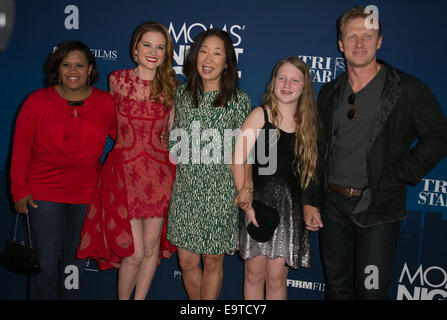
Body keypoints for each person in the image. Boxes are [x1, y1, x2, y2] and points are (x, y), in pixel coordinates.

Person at [315, 6, 447, 299]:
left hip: (379, 209)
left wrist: (401, 175)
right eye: (351, 36)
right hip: (333, 206)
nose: (359, 43)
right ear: (340, 44)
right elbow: (317, 149)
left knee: (371, 292)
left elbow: (439, 136)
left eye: (367, 36)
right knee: (337, 289)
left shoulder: (407, 90)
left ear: (379, 41)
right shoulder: (329, 92)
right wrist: (312, 200)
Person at [77, 21, 178, 300]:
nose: (153, 52)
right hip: (125, 174)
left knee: (150, 250)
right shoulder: (117, 80)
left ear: (166, 53)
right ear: (135, 49)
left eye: (160, 47)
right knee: (132, 254)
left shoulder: (172, 86)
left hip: (158, 177)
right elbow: (108, 123)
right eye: (147, 44)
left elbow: (171, 134)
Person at [10, 40, 116, 299]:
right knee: (45, 261)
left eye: (80, 65)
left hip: (86, 194)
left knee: (74, 262)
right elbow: (21, 148)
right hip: (42, 193)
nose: (73, 71)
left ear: (90, 69)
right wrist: (18, 190)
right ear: (57, 69)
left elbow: (128, 142)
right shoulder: (37, 101)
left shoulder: (106, 103)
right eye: (66, 64)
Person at [166, 28, 251, 300]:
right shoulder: (181, 95)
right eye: (203, 51)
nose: (208, 59)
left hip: (220, 193)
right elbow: (174, 143)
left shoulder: (239, 101)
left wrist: (245, 187)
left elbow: (245, 153)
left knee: (212, 262)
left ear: (227, 63)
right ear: (194, 56)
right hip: (186, 191)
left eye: (217, 53)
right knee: (187, 263)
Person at [232, 57, 322, 300]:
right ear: (273, 82)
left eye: (295, 80)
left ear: (305, 87)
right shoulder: (260, 116)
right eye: (281, 78)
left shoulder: (309, 125)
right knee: (253, 273)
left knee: (277, 278)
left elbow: (310, 174)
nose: (287, 84)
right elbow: (238, 158)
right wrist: (247, 204)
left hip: (289, 212)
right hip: (257, 205)